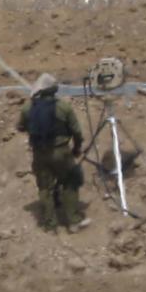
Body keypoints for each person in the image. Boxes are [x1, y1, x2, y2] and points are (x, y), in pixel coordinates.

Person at [15, 74, 85, 232]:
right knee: (70, 183)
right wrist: (77, 147)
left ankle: (50, 224)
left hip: (40, 154)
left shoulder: (28, 107)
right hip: (61, 152)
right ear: (54, 90)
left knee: (44, 188)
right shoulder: (64, 106)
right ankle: (73, 221)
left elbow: (20, 127)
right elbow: (77, 131)